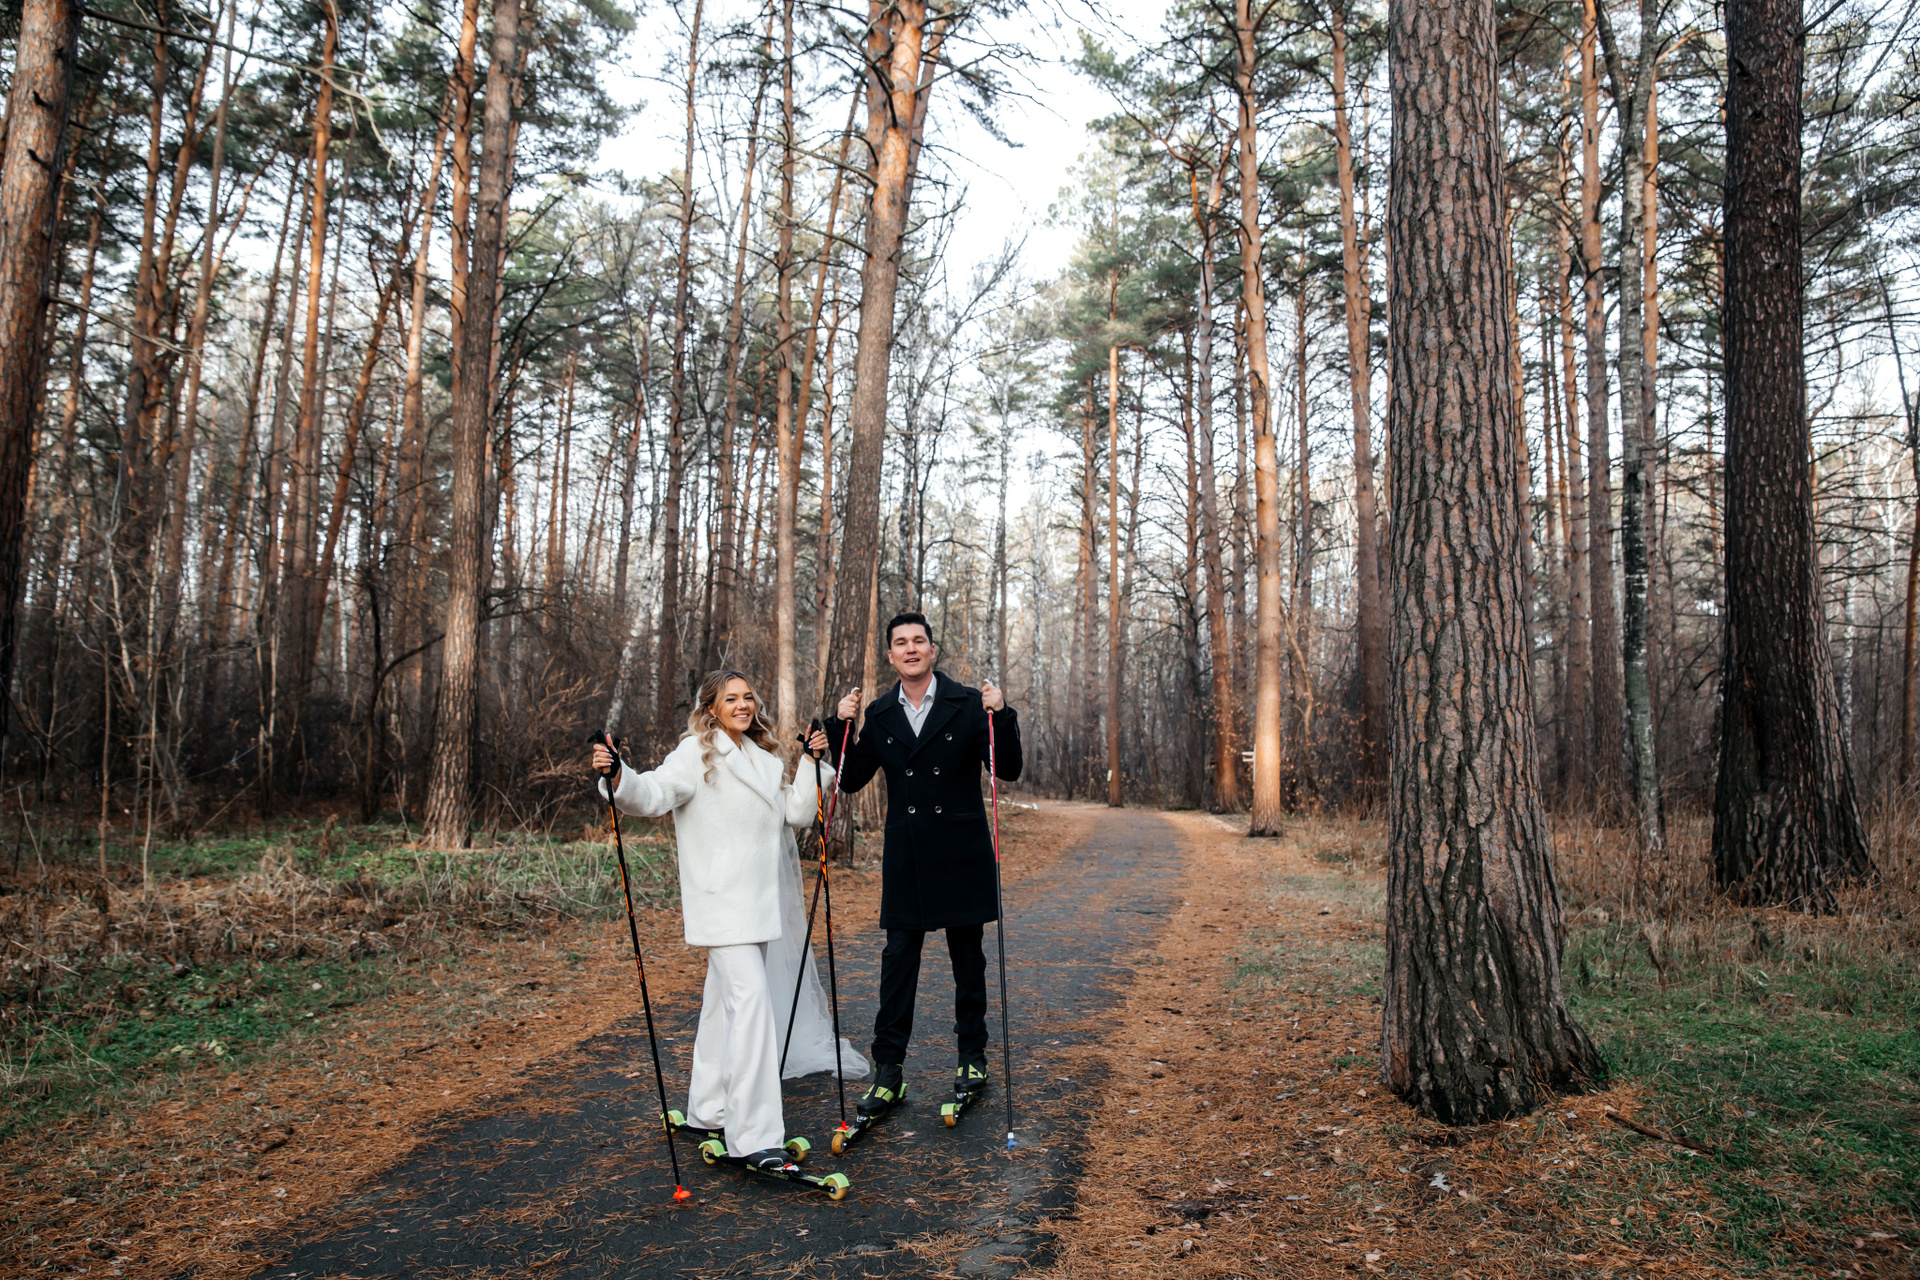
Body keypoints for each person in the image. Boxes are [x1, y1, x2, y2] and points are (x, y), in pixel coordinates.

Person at [592, 669, 867, 1171]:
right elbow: (651, 795)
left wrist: (811, 763)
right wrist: (617, 776)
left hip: (758, 906)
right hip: (720, 904)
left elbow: (797, 813)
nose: (743, 705)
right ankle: (753, 1136)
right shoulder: (695, 753)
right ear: (711, 708)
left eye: (747, 697)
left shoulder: (762, 759)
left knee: (723, 1005)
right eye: (731, 698)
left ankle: (709, 1109)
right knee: (753, 1006)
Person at [825, 611, 1023, 1120]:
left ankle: (972, 1057)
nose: (910, 648)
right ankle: (888, 1070)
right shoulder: (879, 713)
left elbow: (1009, 768)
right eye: (901, 642)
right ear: (891, 656)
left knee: (968, 958)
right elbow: (850, 779)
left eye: (919, 641)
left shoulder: (968, 703)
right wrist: (840, 726)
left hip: (960, 848)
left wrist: (1002, 714)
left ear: (933, 651)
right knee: (898, 960)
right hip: (908, 853)